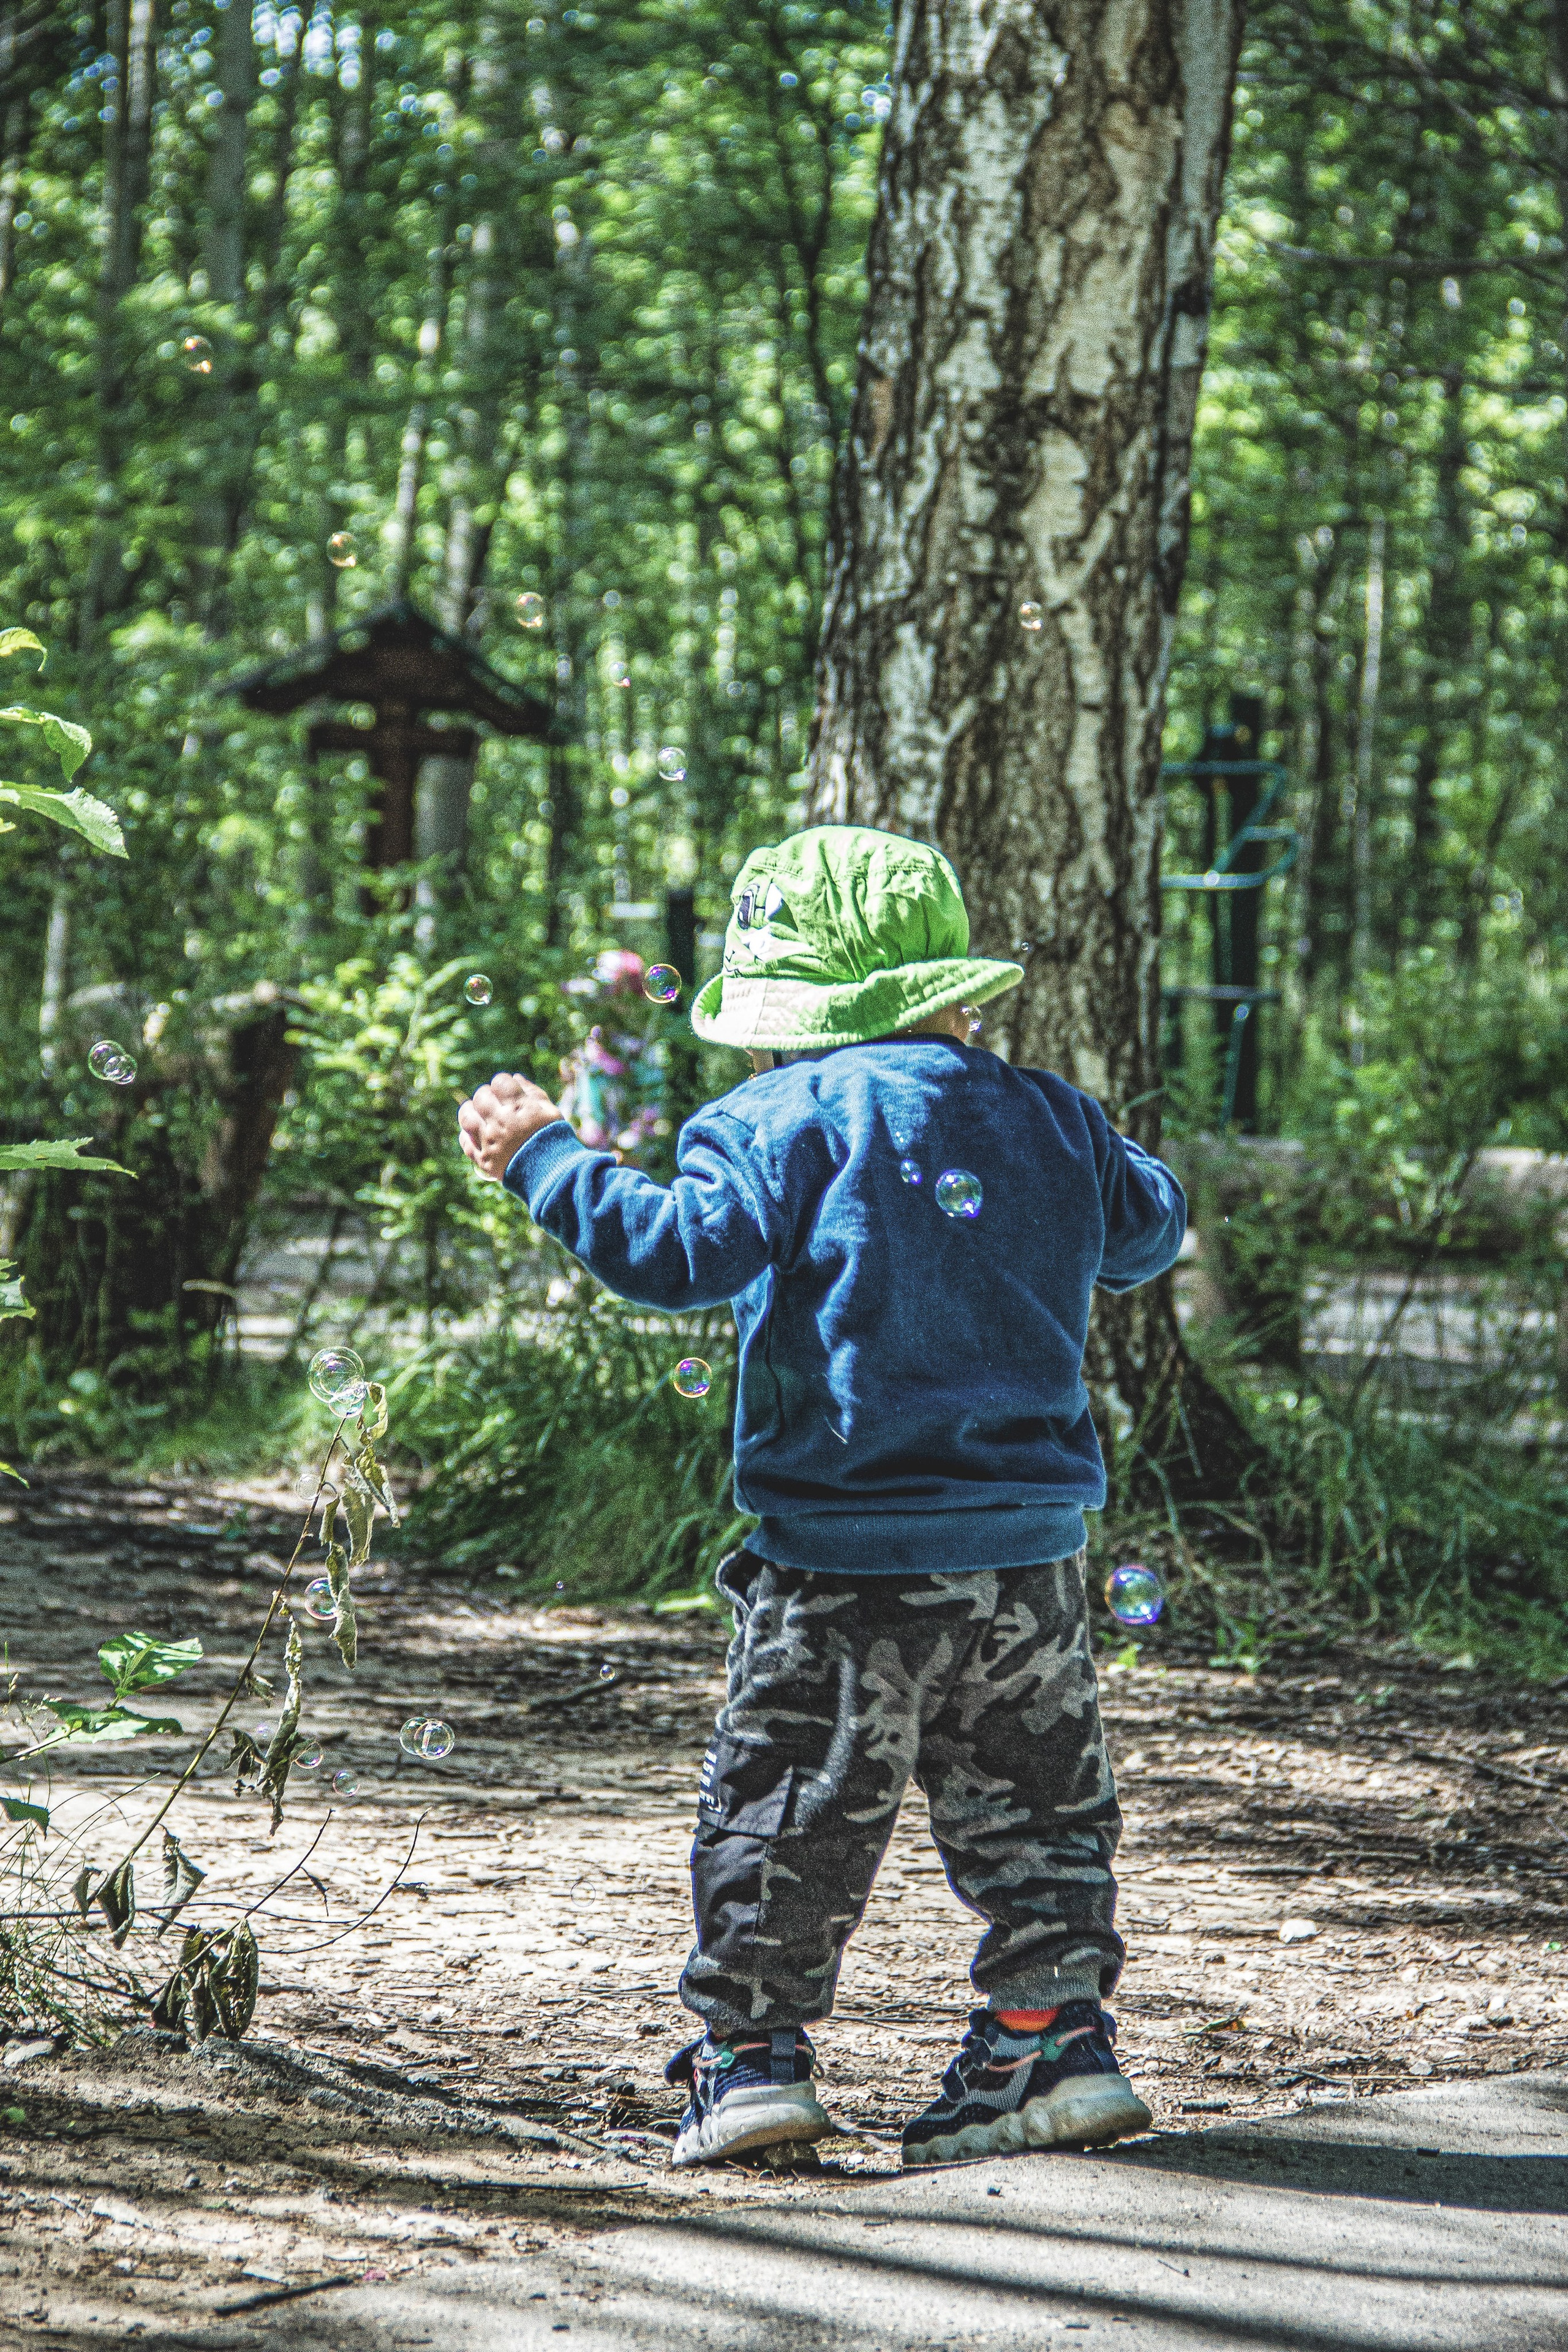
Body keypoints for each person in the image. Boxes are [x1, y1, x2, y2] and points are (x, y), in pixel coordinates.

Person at [456, 824, 1185, 2171]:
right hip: (1026, 1566)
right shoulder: (1047, 1113)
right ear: (950, 989)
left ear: (780, 1013)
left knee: (786, 1811)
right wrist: (1070, 1146)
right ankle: (1050, 2041)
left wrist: (549, 1157)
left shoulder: (770, 1121)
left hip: (838, 1564)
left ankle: (751, 2064)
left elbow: (676, 1256)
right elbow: (1148, 1228)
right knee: (1040, 1813)